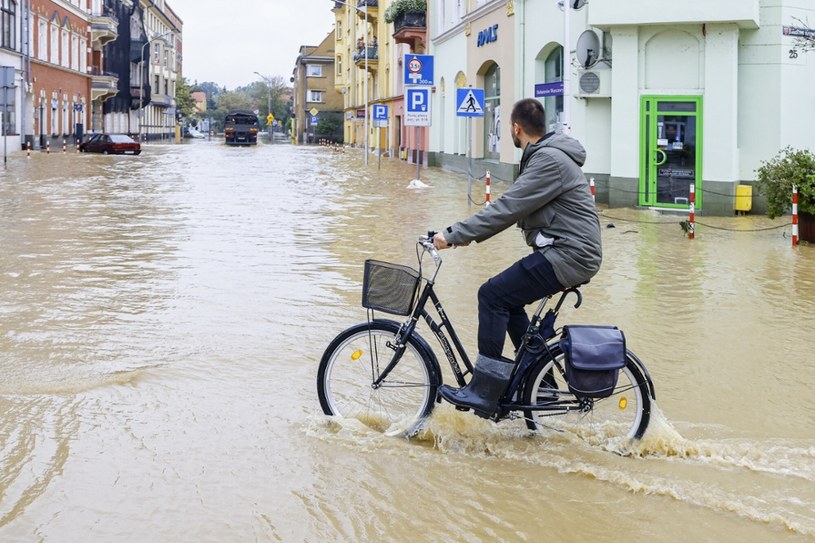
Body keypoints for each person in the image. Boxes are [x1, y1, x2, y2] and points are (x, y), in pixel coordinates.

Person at [433, 98, 602, 418]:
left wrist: (454, 234)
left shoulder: (548, 161)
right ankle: (545, 388)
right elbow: (516, 208)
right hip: (568, 251)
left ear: (515, 128)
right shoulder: (549, 155)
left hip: (571, 255)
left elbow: (508, 208)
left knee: (492, 295)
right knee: (508, 301)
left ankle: (484, 390)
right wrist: (467, 235)